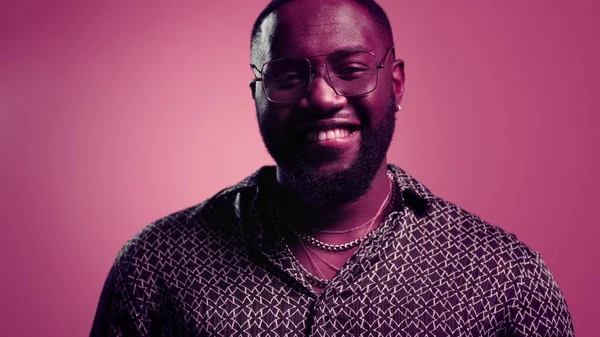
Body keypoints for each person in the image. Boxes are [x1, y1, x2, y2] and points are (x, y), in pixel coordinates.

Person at [90, 0, 574, 335]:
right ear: (257, 96)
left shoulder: (505, 278)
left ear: (397, 83)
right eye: (288, 75)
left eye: (352, 68)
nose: (321, 96)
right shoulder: (155, 266)